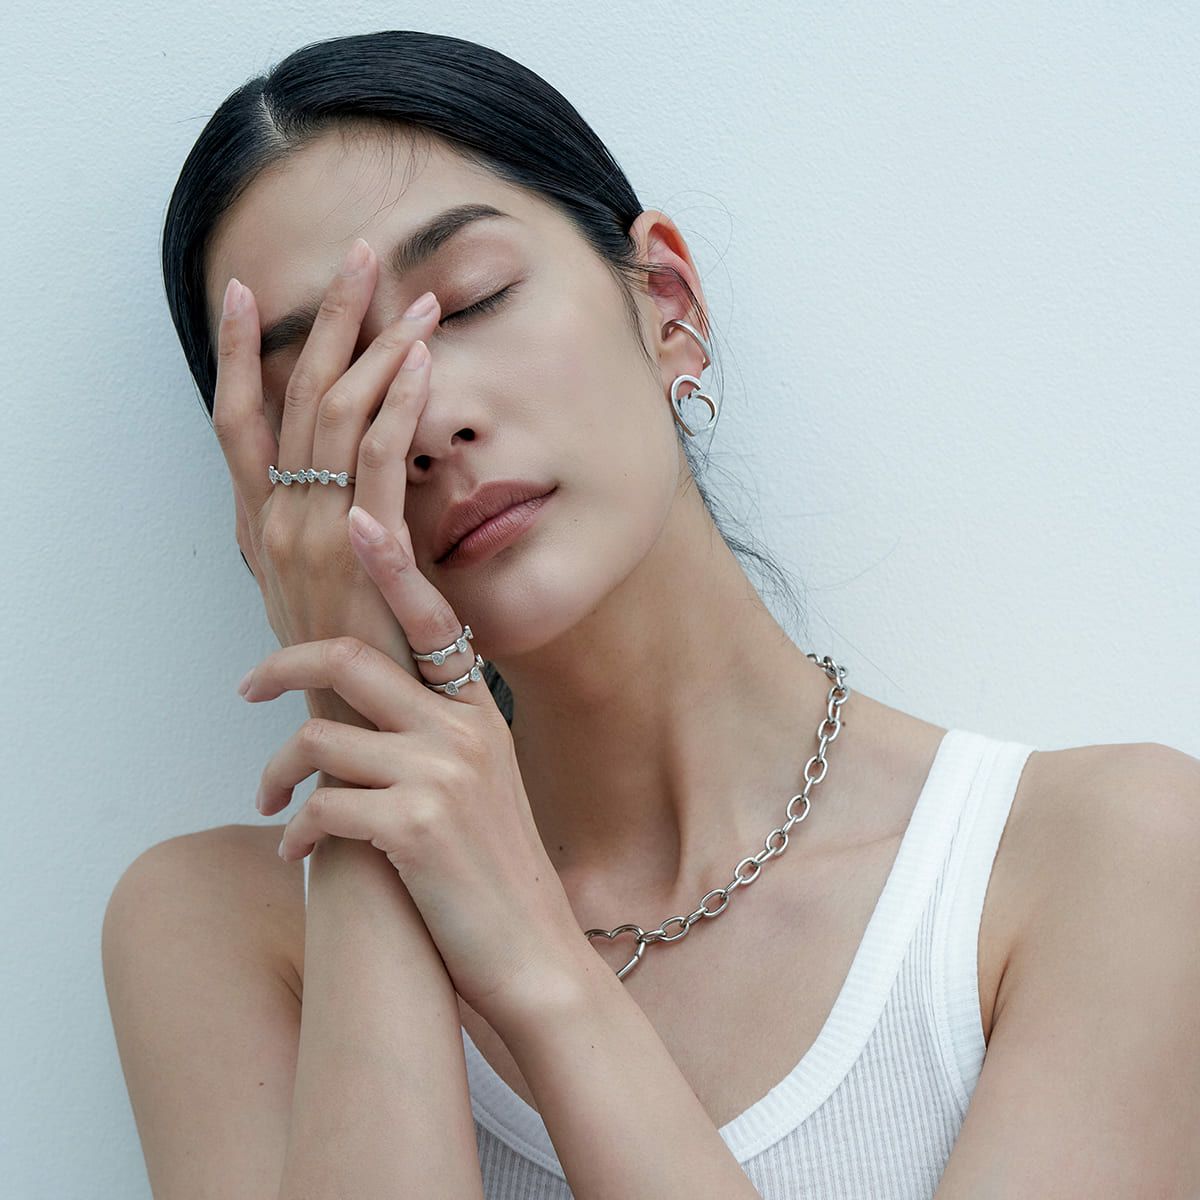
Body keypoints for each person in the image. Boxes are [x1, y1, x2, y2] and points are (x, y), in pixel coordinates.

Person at [101, 29, 1200, 1200]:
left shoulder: (1105, 860)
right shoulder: (225, 930)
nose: (427, 423)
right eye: (331, 396)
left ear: (667, 302)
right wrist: (362, 735)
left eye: (470, 300)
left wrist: (537, 963)